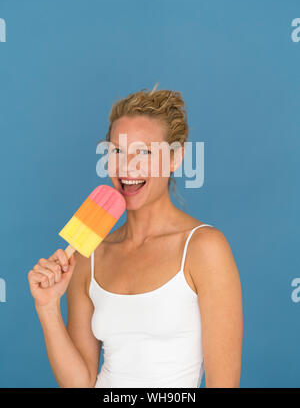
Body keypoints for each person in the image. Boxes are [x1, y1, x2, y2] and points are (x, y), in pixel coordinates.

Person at [28, 84, 243, 388]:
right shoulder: (89, 253)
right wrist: (47, 308)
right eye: (116, 151)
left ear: (175, 159)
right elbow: (81, 383)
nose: (127, 167)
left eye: (143, 152)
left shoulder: (203, 248)